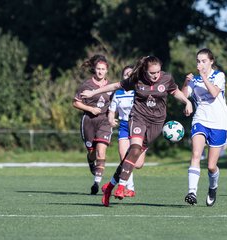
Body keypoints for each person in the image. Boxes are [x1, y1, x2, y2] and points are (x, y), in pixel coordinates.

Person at [81, 56, 193, 207]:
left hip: (157, 123)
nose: (156, 75)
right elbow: (114, 86)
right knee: (134, 148)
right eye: (152, 73)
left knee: (133, 159)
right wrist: (93, 93)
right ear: (145, 71)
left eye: (158, 72)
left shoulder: (166, 78)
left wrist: (187, 101)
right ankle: (121, 187)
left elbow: (175, 91)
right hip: (138, 117)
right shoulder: (137, 79)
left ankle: (109, 187)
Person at [182, 48, 227, 207]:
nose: (200, 64)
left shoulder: (219, 76)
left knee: (211, 166)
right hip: (200, 119)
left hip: (219, 123)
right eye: (198, 61)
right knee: (196, 154)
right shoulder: (194, 80)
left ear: (211, 61)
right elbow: (183, 96)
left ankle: (212, 187)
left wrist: (203, 76)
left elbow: (215, 93)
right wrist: (186, 82)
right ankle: (192, 192)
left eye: (203, 61)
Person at [72, 54, 113, 195]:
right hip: (89, 122)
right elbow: (75, 102)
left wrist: (114, 116)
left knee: (102, 151)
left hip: (105, 122)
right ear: (94, 70)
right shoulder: (86, 85)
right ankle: (91, 162)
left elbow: (116, 103)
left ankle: (96, 183)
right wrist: (90, 109)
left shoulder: (111, 86)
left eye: (103, 69)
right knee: (92, 153)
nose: (100, 71)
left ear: (107, 70)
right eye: (98, 69)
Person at [106, 65, 147, 197]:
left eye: (131, 74)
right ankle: (128, 188)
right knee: (124, 159)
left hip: (139, 126)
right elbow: (112, 111)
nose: (128, 77)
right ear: (122, 78)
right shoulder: (117, 94)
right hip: (124, 126)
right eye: (126, 75)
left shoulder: (139, 92)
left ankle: (125, 186)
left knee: (138, 164)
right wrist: (111, 120)